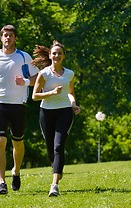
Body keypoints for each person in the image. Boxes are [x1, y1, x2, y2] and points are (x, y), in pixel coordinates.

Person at [0, 24, 39, 195]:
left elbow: (38, 79)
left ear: (15, 38)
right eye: (5, 35)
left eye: (11, 35)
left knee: (17, 142)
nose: (8, 38)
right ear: (1, 38)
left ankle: (16, 171)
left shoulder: (23, 57)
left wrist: (25, 82)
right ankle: (1, 182)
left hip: (18, 104)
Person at [31, 40, 80, 197]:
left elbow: (70, 92)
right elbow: (35, 96)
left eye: (60, 53)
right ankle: (56, 167)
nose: (57, 55)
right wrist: (51, 93)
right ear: (50, 55)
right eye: (54, 53)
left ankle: (54, 185)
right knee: (50, 148)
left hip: (64, 111)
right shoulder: (44, 73)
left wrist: (73, 104)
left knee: (59, 146)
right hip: (46, 112)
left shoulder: (70, 74)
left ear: (64, 56)